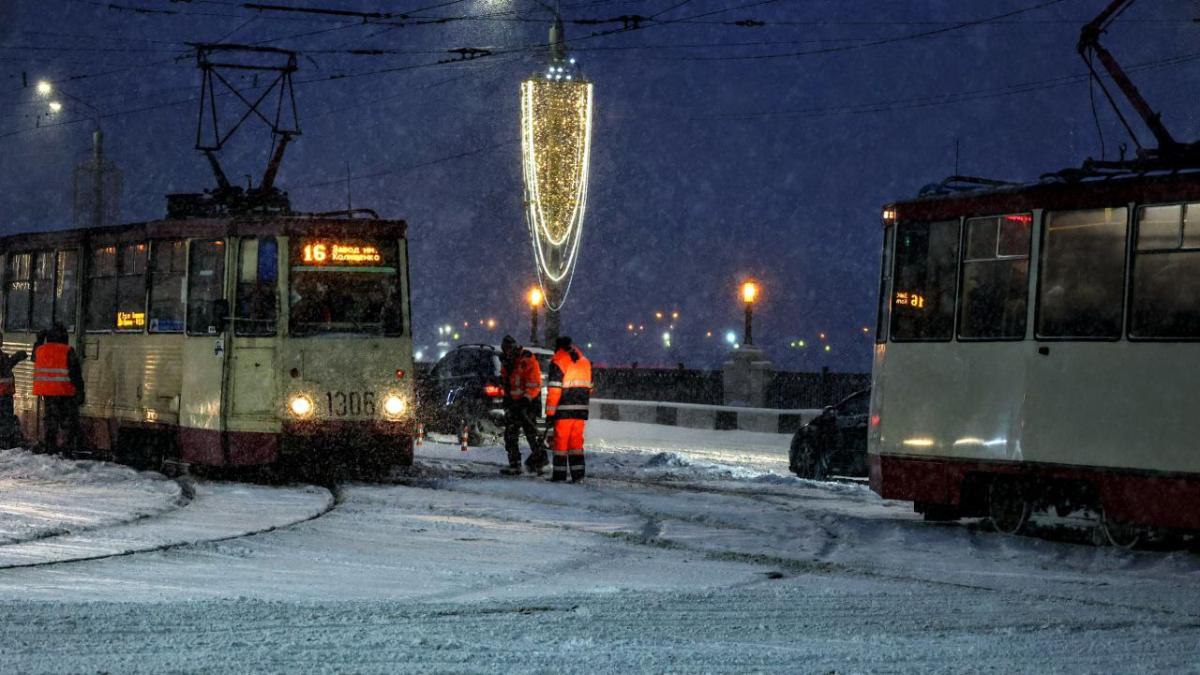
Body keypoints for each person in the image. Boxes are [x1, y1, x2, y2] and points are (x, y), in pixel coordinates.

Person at [545, 336, 592, 483]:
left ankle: (559, 476)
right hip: (581, 409)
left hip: (564, 409)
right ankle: (578, 475)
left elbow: (554, 389)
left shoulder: (558, 361)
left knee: (561, 444)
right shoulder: (584, 361)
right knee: (576, 444)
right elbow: (590, 387)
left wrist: (550, 413)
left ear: (558, 347)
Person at [32, 324, 85, 457]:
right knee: (69, 422)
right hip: (65, 392)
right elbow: (75, 374)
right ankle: (67, 449)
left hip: (48, 394)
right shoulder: (67, 351)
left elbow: (34, 357)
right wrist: (80, 391)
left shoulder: (40, 350)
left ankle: (50, 448)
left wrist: (39, 340)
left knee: (51, 421)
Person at [499, 335, 547, 475]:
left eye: (509, 349)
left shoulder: (527, 359)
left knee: (531, 435)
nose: (507, 352)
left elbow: (534, 384)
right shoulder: (507, 363)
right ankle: (515, 465)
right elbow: (507, 383)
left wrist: (525, 400)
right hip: (514, 404)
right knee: (510, 435)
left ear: (514, 348)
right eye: (505, 350)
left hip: (528, 404)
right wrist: (507, 399)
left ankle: (541, 464)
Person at [0, 334, 27, 447]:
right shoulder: (2, 357)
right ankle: (4, 441)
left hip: (5, 393)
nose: (1, 341)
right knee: (5, 419)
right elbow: (4, 367)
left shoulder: (2, 355)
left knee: (6, 419)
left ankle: (5, 440)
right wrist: (16, 358)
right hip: (2, 394)